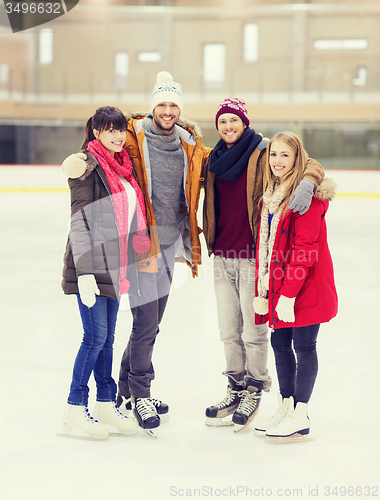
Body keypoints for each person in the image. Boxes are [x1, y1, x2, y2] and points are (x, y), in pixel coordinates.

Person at [62, 72, 211, 433]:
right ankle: (135, 394)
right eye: (161, 103)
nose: (167, 110)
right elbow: (89, 167)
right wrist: (77, 161)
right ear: (151, 107)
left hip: (162, 243)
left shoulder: (190, 144)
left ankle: (123, 392)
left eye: (174, 104)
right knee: (137, 326)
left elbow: (224, 164)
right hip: (133, 251)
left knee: (150, 323)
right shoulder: (130, 139)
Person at [202, 99, 325, 432]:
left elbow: (306, 160)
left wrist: (307, 182)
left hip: (253, 255)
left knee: (253, 332)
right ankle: (235, 387)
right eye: (223, 121)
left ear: (245, 122)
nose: (228, 126)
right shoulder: (211, 157)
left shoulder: (262, 150)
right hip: (222, 255)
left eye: (234, 120)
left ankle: (255, 388)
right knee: (229, 330)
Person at [61, 106, 151, 439]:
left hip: (116, 267)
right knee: (95, 338)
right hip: (92, 267)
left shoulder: (123, 169)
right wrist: (84, 272)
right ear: (95, 132)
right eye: (109, 129)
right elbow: (80, 220)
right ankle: (74, 407)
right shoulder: (86, 167)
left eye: (120, 130)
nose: (117, 135)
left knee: (108, 340)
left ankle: (104, 404)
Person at [253, 131, 338, 442]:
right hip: (280, 286)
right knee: (279, 345)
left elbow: (305, 249)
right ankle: (286, 406)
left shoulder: (308, 197)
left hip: (305, 287)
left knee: (303, 347)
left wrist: (288, 294)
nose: (278, 161)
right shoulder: (274, 193)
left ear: (297, 158)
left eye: (285, 155)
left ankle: (300, 414)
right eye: (274, 154)